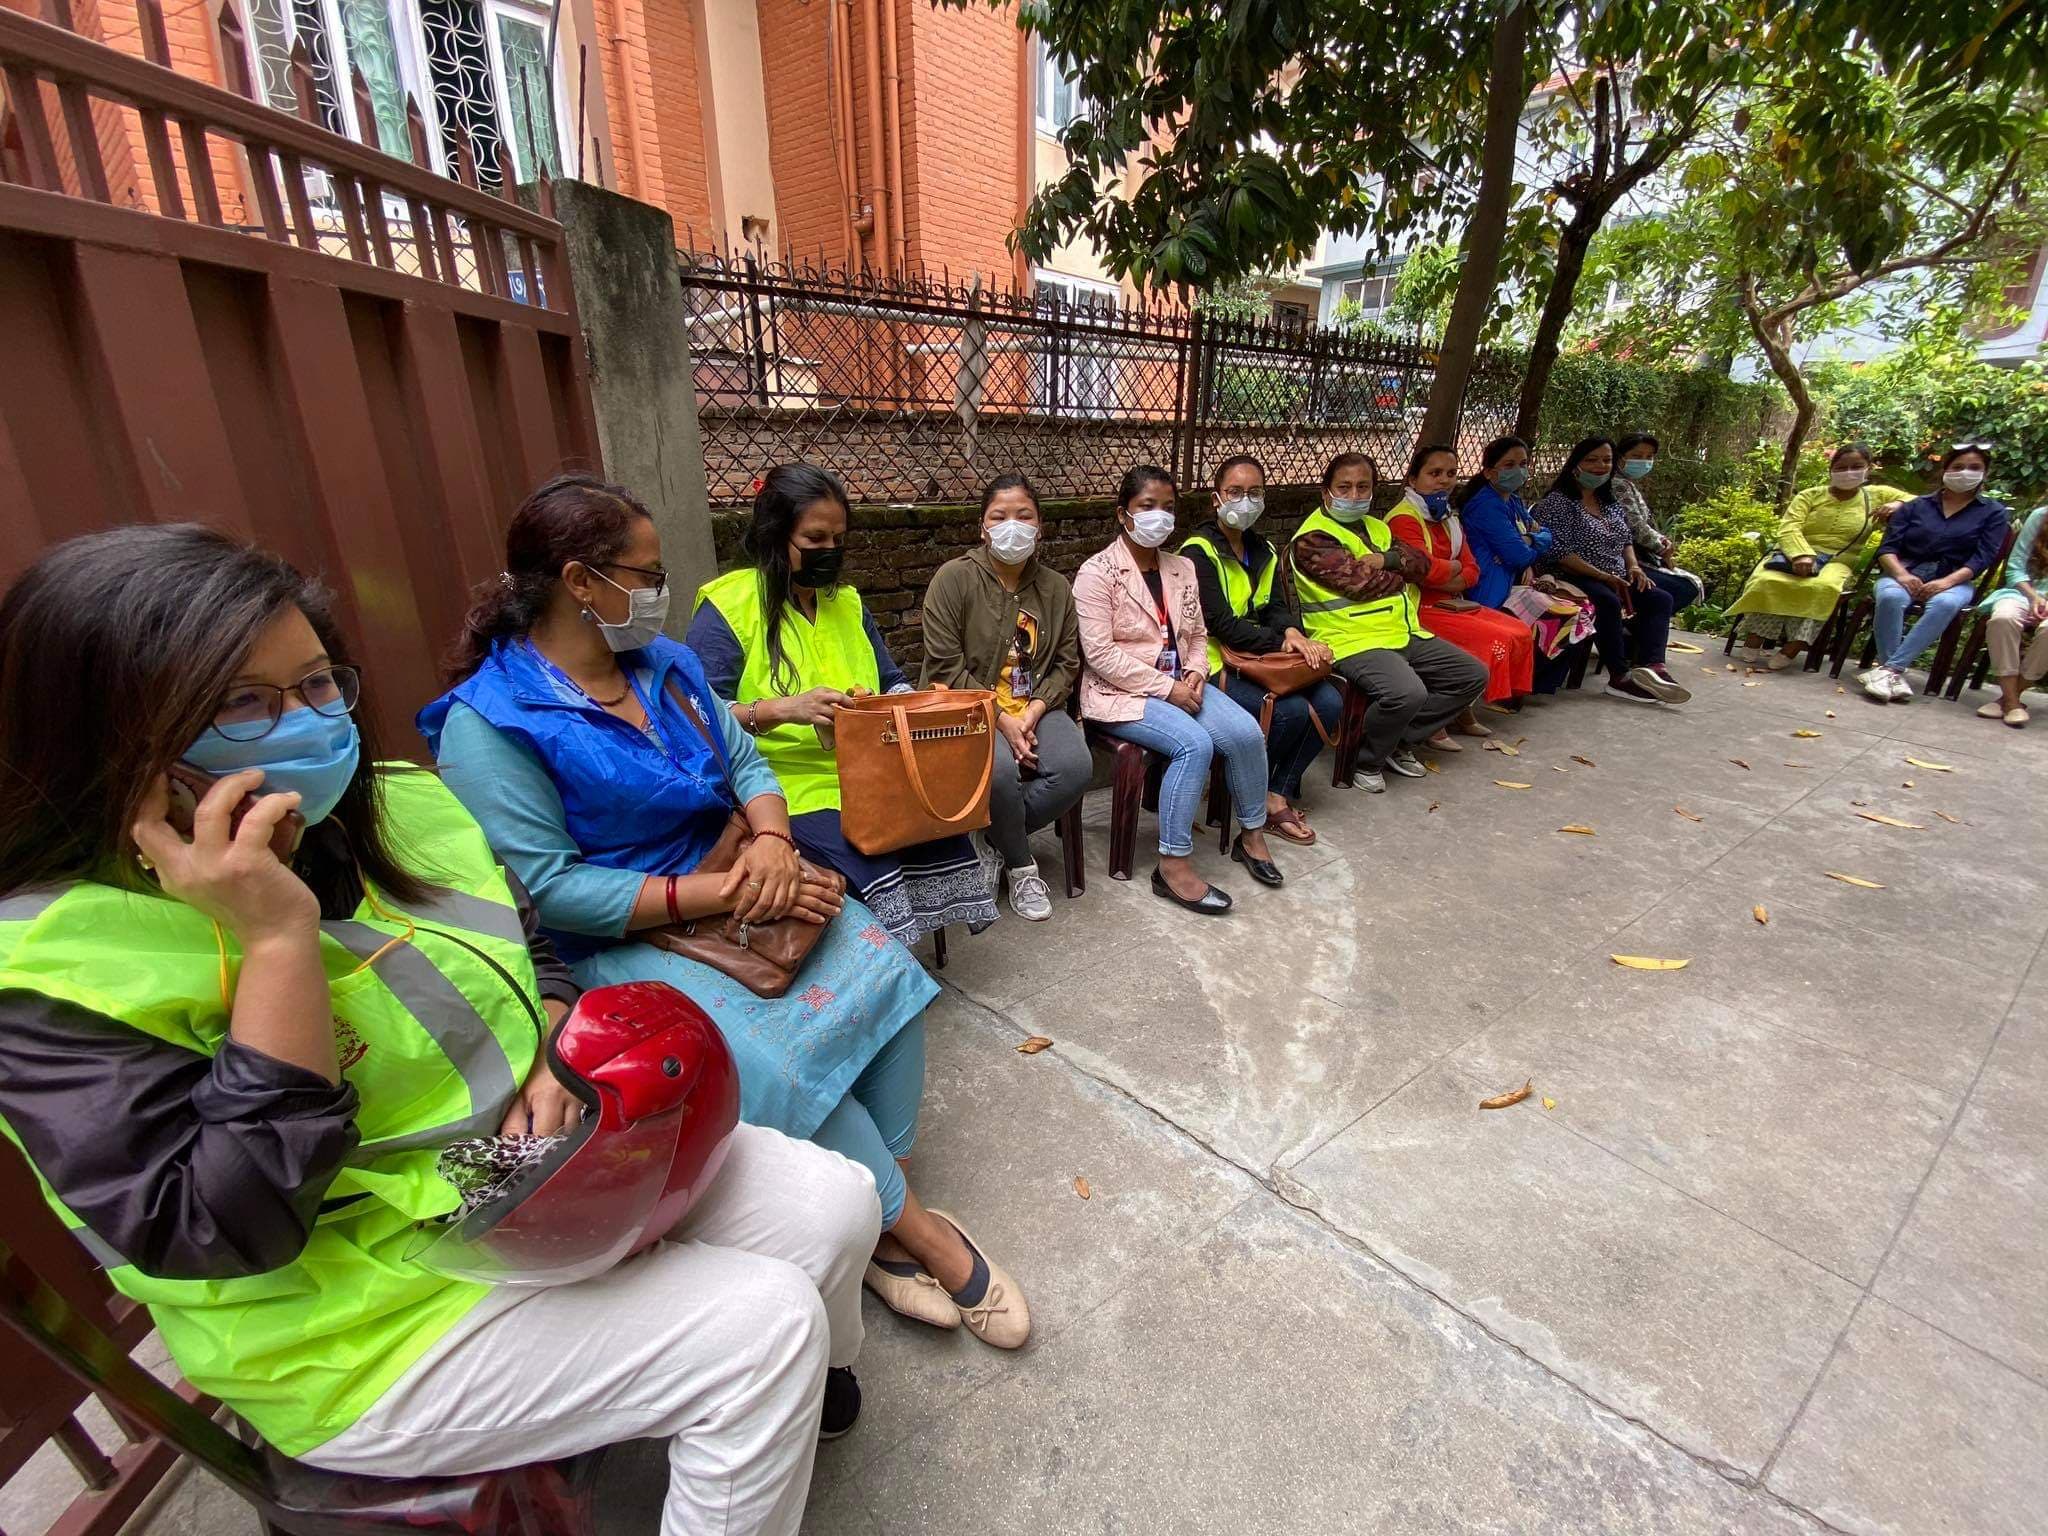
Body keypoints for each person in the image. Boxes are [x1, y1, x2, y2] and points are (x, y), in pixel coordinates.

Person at [0, 524, 883, 1536]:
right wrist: (277, 945)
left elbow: (527, 936)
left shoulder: (401, 806)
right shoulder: (57, 967)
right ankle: (753, 1392)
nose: (308, 724)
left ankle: (784, 1408)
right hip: (357, 1316)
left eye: (317, 685)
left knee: (835, 1202)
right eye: (243, 703)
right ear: (113, 740)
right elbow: (221, 1228)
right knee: (761, 1331)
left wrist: (551, 1035)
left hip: (524, 1173)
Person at [420, 475, 1027, 1349]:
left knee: (881, 967)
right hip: (622, 934)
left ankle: (883, 1206)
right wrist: (732, 889)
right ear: (580, 581)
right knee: (780, 1058)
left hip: (741, 875)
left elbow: (746, 764)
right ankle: (927, 1234)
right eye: (646, 574)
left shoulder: (663, 666)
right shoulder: (492, 722)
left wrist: (774, 841)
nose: (660, 592)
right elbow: (550, 889)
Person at [685, 464, 998, 945]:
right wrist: (782, 709)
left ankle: (892, 954)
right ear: (775, 535)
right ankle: (873, 959)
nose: (829, 551)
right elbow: (693, 718)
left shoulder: (847, 603)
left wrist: (914, 705)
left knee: (940, 830)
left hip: (868, 773)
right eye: (815, 539)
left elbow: (891, 681)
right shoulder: (729, 606)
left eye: (838, 539)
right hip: (781, 785)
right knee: (867, 855)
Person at [1074, 465, 1282, 913]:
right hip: (1122, 692)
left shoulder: (1181, 567)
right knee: (1193, 745)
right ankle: (1172, 865)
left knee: (1246, 732)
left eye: (1168, 508)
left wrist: (1195, 673)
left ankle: (1251, 835)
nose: (1159, 516)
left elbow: (1196, 634)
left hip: (1182, 683)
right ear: (1123, 513)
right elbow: (1100, 656)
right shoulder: (1097, 573)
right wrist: (1167, 689)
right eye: (1147, 506)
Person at [919, 473, 1089, 920]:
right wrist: (1001, 720)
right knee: (997, 774)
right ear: (982, 527)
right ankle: (1021, 865)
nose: (1012, 525)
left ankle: (991, 837)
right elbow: (945, 667)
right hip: (966, 709)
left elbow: (1066, 664)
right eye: (999, 516)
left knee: (1075, 768)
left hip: (1035, 707)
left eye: (1024, 516)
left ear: (1040, 527)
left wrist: (1033, 711)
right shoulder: (953, 580)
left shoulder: (1055, 588)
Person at [1291, 452, 1487, 792]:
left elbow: (1422, 565)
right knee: (1407, 693)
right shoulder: (1313, 538)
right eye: (1344, 487)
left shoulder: (1378, 528)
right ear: (1326, 492)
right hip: (1349, 638)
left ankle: (1397, 741)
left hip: (1402, 632)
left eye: (1362, 487)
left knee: (1471, 676)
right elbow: (1361, 584)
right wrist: (1400, 571)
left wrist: (1386, 560)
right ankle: (1364, 759)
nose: (1354, 495)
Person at [1180, 453, 1340, 846]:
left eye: (1254, 492)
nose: (1245, 501)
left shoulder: (1263, 549)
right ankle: (1253, 793)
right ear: (1216, 498)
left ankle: (1274, 791)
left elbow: (1275, 607)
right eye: (1235, 491)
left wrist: (1293, 633)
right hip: (1217, 662)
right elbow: (1219, 623)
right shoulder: (1197, 552)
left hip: (1262, 658)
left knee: (1330, 701)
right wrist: (1281, 641)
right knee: (1289, 712)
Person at [1384, 442, 1536, 744]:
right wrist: (1451, 572)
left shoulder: (1448, 518)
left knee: (1519, 630)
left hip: (1452, 603)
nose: (1444, 480)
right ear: (1413, 479)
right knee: (1496, 639)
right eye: (1435, 473)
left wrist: (1448, 574)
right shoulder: (1404, 518)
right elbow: (1422, 573)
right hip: (1416, 607)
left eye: (1451, 473)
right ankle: (1435, 718)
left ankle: (1459, 708)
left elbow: (1471, 570)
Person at [1529, 437, 1692, 706]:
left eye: (1606, 460)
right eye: (1591, 460)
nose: (1600, 466)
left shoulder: (1609, 501)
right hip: (1571, 574)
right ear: (1575, 465)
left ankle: (1653, 667)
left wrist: (1634, 567)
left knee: (1659, 598)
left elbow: (1626, 539)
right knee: (1606, 600)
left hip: (1615, 575)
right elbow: (1560, 553)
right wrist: (1603, 576)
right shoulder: (1558, 503)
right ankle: (1619, 676)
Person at [1725, 443, 1911, 669]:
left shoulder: (1877, 495)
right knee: (1768, 580)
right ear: (1831, 470)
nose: (1848, 472)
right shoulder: (1810, 495)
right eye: (1841, 467)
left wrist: (1897, 504)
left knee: (1823, 587)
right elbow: (1789, 526)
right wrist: (1800, 554)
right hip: (1791, 553)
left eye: (1856, 467)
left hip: (1838, 561)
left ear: (1868, 468)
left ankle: (1793, 647)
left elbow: (1923, 502)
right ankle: (1755, 636)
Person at [1858, 444, 2010, 703]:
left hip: (1955, 578)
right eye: (1958, 467)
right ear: (1945, 470)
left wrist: (1946, 582)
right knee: (1891, 597)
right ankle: (1891, 674)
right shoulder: (1916, 506)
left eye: (1974, 468)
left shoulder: (1993, 513)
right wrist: (1902, 575)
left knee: (1945, 604)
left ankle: (1889, 670)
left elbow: (1982, 558)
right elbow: (1887, 549)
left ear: (1985, 473)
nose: (1965, 473)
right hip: (1905, 571)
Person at [1455, 435, 1592, 696]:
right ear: (1489, 472)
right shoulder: (1485, 506)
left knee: (1582, 611)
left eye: (1523, 464)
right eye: (1509, 465)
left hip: (1514, 579)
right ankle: (1518, 688)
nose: (1518, 471)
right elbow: (1518, 555)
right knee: (1563, 618)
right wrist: (1528, 542)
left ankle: (1532, 683)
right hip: (1491, 587)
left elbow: (1546, 536)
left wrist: (1527, 540)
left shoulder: (1513, 501)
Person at [1611, 432, 1706, 611]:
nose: (1644, 462)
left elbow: (1642, 523)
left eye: (1649, 457)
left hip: (1636, 555)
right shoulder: (1617, 484)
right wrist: (1661, 547)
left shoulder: (1626, 483)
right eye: (1636, 456)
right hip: (1624, 557)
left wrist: (1662, 541)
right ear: (1620, 457)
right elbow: (1635, 526)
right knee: (1685, 588)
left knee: (1687, 585)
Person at [1977, 503, 2048, 727]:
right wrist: (2034, 597)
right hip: (2023, 592)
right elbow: (2015, 566)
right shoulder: (2041, 516)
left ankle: (2008, 699)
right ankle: (2012, 701)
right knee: (2003, 618)